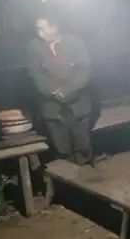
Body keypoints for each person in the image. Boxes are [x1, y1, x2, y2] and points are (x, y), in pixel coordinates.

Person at [27, 14, 93, 166]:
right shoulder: (33, 47)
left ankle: (87, 176)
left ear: (54, 27)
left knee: (83, 146)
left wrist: (67, 90)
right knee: (62, 151)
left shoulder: (75, 43)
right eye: (37, 29)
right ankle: (67, 178)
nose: (39, 33)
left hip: (77, 105)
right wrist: (52, 90)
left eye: (42, 29)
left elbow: (84, 70)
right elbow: (35, 74)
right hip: (52, 108)